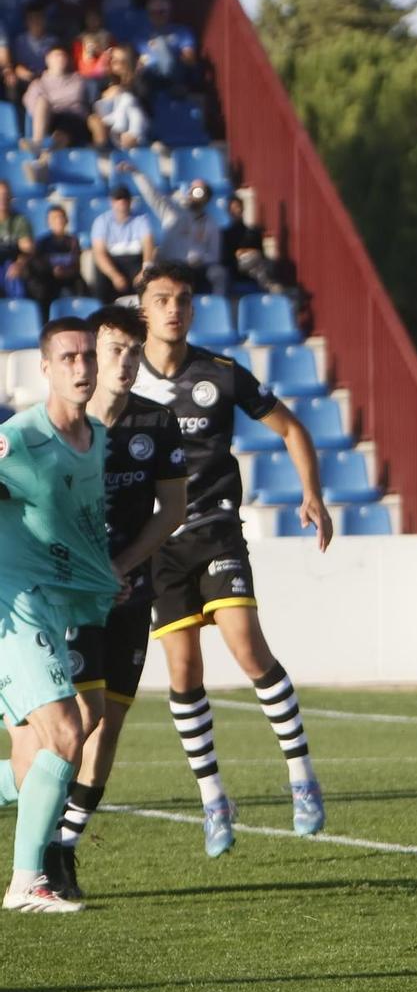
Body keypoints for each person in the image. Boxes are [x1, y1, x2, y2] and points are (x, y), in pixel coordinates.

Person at [130, 263, 333, 854]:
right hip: (157, 546)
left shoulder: (219, 373)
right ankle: (214, 799)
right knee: (183, 672)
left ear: (194, 309)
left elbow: (292, 429)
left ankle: (302, 778)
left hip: (216, 531)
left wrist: (313, 494)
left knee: (247, 647)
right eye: (162, 299)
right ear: (143, 310)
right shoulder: (123, 379)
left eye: (183, 299)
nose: (174, 308)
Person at [41, 307, 187, 901]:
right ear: (89, 356)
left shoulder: (157, 423)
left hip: (128, 593)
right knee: (78, 720)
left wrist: (122, 568)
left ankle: (63, 847)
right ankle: (40, 835)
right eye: (112, 350)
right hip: (71, 597)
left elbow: (172, 511)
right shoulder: (56, 427)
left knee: (108, 724)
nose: (123, 362)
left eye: (132, 350)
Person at [0, 318, 122, 912]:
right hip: (13, 606)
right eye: (68, 358)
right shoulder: (18, 438)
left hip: (52, 606)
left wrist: (104, 577)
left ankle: (28, 881)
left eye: (87, 356)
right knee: (69, 731)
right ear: (45, 368)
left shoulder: (96, 437)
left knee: (35, 755)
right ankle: (27, 884)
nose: (81, 367)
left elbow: (76, 525)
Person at [127, 167, 226, 295]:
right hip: (170, 265)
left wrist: (200, 258)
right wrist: (137, 173)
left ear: (206, 198)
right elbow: (152, 195)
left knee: (218, 274)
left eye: (200, 191)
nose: (194, 194)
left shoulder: (210, 223)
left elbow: (214, 255)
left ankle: (217, 304)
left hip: (195, 268)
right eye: (193, 189)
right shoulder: (173, 211)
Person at [89, 186, 155, 300]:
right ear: (112, 202)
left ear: (130, 201)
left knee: (147, 282)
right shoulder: (101, 221)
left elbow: (148, 244)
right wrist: (114, 275)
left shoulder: (141, 219)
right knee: (101, 275)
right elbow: (99, 252)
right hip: (112, 261)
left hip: (134, 260)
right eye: (118, 199)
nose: (122, 202)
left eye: (125, 198)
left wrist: (145, 269)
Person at [24, 45, 91, 147]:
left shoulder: (77, 80)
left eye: (63, 56)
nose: (60, 59)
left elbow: (74, 97)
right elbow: (31, 105)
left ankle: (46, 152)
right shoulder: (37, 84)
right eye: (56, 55)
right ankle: (38, 143)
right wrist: (49, 105)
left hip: (73, 118)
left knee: (62, 131)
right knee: (42, 102)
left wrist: (51, 100)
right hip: (49, 119)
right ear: (48, 59)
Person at [138, 0, 201, 97]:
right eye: (153, 13)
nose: (157, 16)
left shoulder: (182, 31)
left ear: (169, 13)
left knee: (160, 42)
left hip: (176, 71)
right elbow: (140, 60)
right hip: (151, 74)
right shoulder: (141, 36)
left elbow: (189, 59)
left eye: (161, 12)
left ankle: (176, 88)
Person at [25, 203, 85, 305]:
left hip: (68, 279)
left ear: (66, 220)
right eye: (54, 218)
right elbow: (36, 265)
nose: (58, 221)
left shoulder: (73, 241)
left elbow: (76, 265)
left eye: (61, 217)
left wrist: (67, 272)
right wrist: (52, 271)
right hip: (47, 280)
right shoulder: (42, 243)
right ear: (48, 222)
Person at [89, 76, 149, 151]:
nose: (112, 91)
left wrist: (134, 134)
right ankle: (100, 149)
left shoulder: (128, 100)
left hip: (137, 144)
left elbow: (138, 121)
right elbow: (107, 117)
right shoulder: (106, 106)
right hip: (113, 143)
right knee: (94, 120)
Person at [0, 186, 33, 300]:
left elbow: (28, 249)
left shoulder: (20, 220)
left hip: (12, 263)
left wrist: (20, 264)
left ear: (10, 197)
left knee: (14, 275)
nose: (2, 199)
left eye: (5, 195)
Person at [11, 8, 61, 80]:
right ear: (26, 22)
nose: (36, 22)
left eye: (39, 18)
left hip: (48, 79)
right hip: (25, 79)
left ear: (44, 21)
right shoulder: (19, 41)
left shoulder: (54, 41)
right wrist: (21, 71)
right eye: (32, 19)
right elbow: (16, 65)